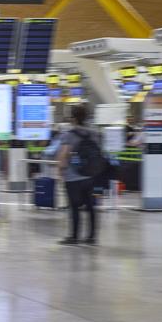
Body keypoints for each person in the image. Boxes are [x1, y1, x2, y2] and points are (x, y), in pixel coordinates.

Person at [57, 104, 99, 246]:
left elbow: (64, 154)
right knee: (90, 206)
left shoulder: (69, 134)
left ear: (72, 118)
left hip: (73, 176)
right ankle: (92, 236)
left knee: (74, 207)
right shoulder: (94, 133)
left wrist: (61, 170)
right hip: (90, 175)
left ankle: (74, 237)